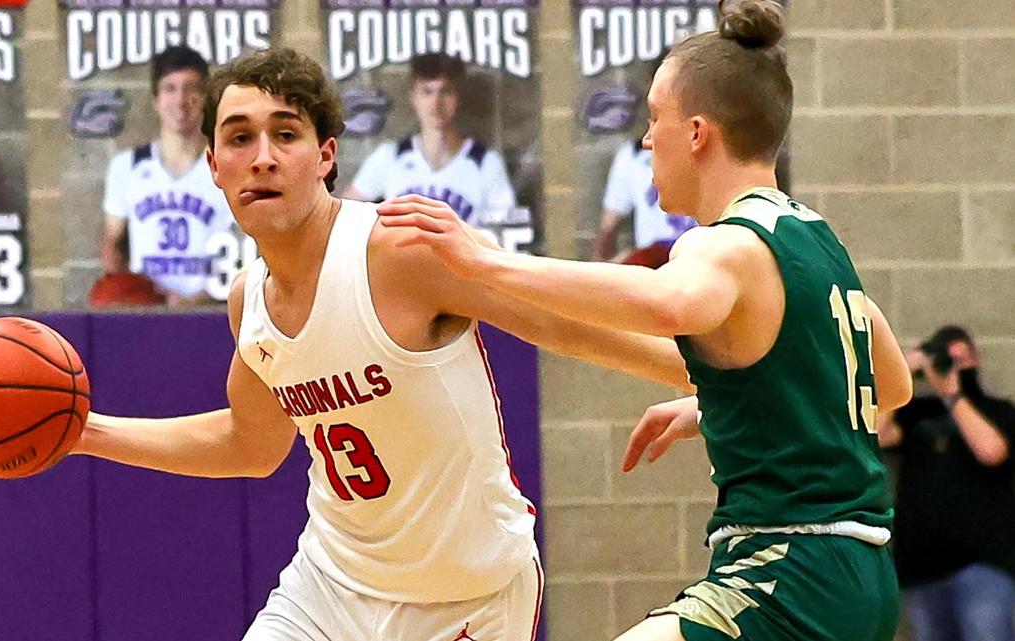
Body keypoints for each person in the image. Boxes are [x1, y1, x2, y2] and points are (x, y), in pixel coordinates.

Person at [71, 47, 694, 641]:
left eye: (285, 135)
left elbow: (560, 325)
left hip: (467, 593)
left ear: (325, 156)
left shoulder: (397, 251)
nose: (262, 157)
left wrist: (720, 384)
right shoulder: (249, 300)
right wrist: (85, 434)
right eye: (239, 137)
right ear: (213, 165)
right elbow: (251, 442)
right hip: (330, 588)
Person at [377, 2, 915, 640]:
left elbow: (667, 305)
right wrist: (722, 406)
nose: (643, 138)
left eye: (654, 117)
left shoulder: (722, 245)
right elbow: (893, 384)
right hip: (861, 577)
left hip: (786, 575)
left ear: (696, 133)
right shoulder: (816, 240)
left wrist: (487, 261)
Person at [879, 326, 1015, 641]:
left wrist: (952, 395)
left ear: (976, 360)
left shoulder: (997, 410)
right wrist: (901, 373)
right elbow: (877, 435)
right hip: (921, 571)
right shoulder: (919, 414)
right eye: (946, 361)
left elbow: (992, 451)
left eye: (961, 360)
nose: (955, 368)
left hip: (982, 567)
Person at [99, 45, 234, 307]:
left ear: (207, 97)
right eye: (170, 89)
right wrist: (129, 292)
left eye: (192, 88)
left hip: (213, 312)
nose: (181, 101)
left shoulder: (229, 167)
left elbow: (246, 253)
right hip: (146, 313)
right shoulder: (127, 166)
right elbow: (112, 246)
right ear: (156, 99)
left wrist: (201, 299)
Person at [341, 53, 526, 238]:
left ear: (457, 97)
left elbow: (504, 237)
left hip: (461, 264)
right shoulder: (390, 157)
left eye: (445, 91)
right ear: (414, 97)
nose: (436, 104)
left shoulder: (485, 163)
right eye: (427, 92)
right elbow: (344, 214)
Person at [594, 138, 695, 266]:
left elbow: (608, 227)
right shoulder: (632, 154)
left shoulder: (633, 155)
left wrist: (605, 267)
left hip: (654, 263)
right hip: (690, 260)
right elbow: (608, 228)